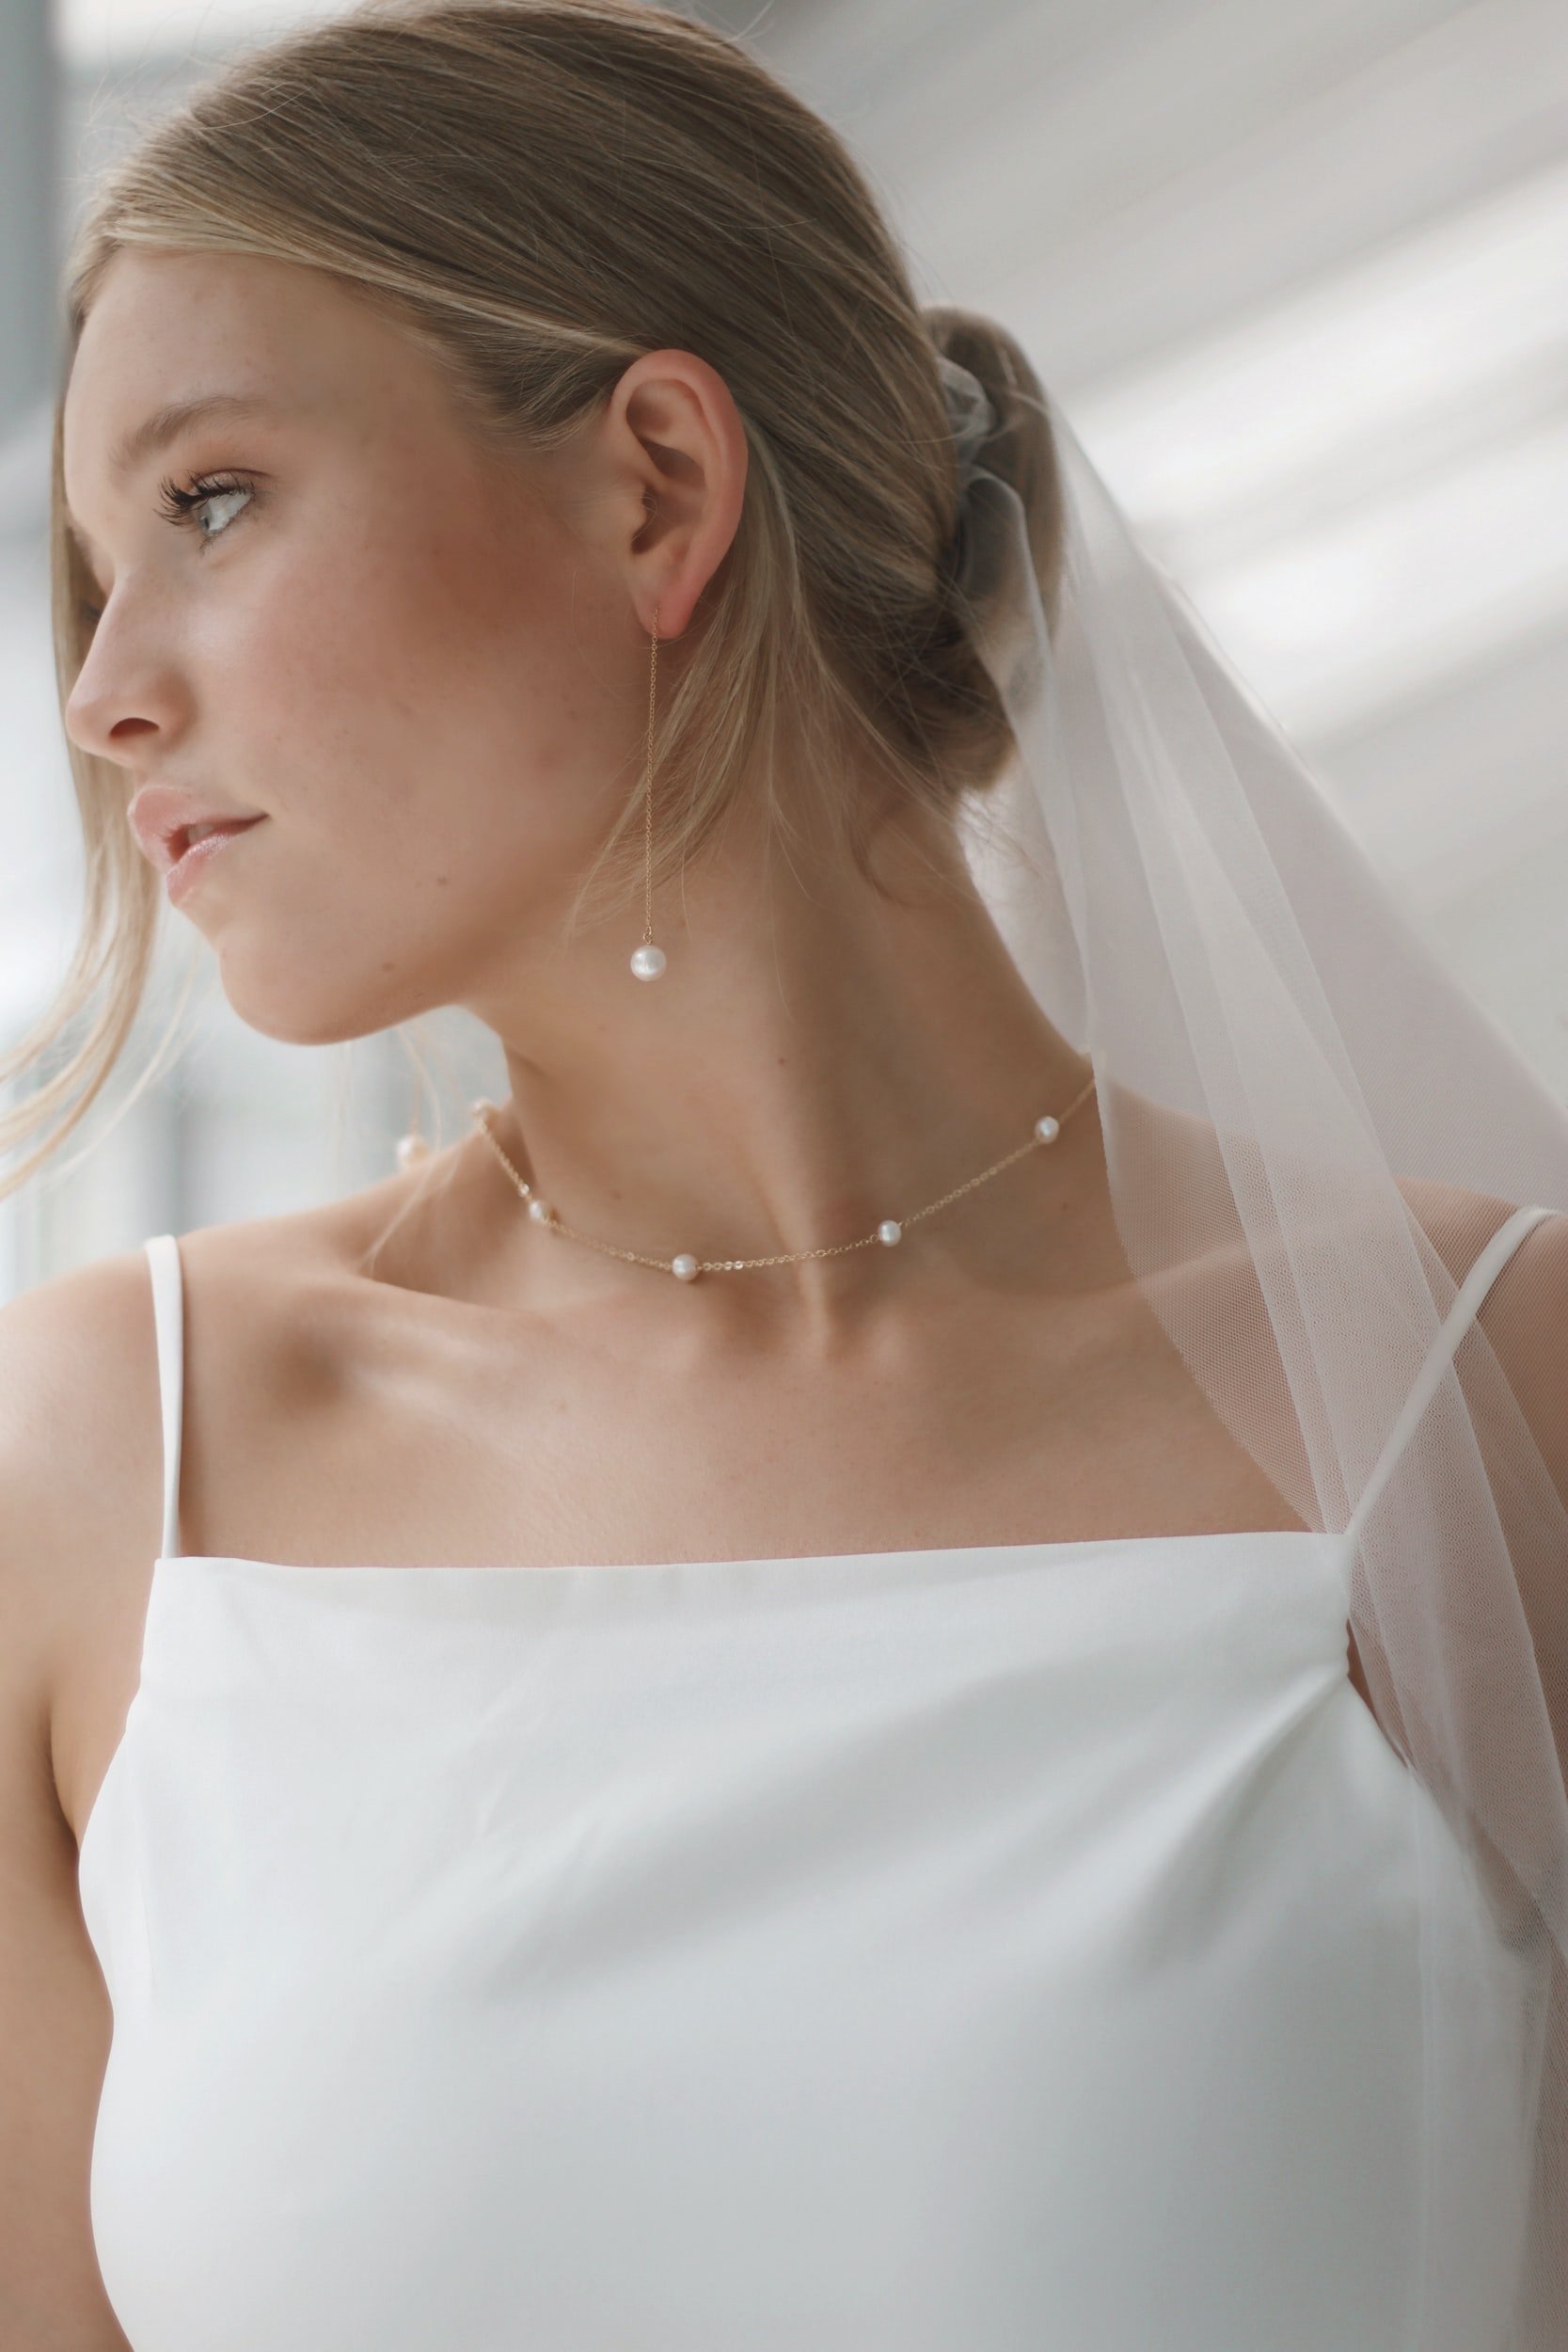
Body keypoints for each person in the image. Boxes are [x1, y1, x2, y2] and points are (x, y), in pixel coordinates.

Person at [1, 4, 1565, 2348]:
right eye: (92, 575)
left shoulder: (1485, 1380)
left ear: (652, 481)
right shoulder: (107, 1461)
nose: (106, 687)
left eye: (208, 502)